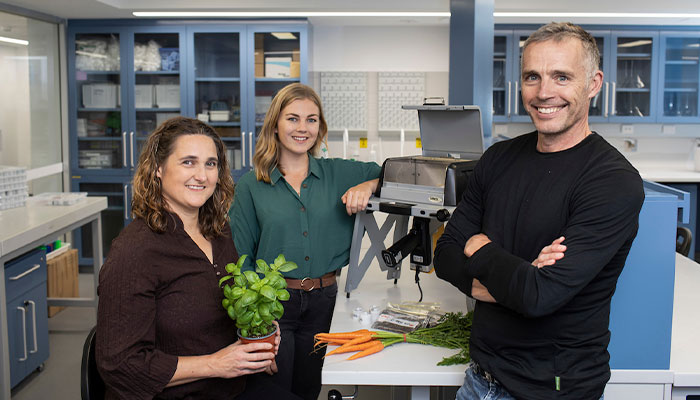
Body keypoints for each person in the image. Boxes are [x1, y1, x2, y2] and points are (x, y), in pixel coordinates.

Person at [433, 22, 645, 400]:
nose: (544, 92)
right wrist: (522, 278)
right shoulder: (498, 158)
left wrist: (480, 249)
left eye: (561, 77)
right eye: (532, 77)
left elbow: (538, 297)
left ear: (593, 83)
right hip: (479, 378)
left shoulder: (612, 181)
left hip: (553, 390)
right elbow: (446, 255)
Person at [96, 117, 300, 400]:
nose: (202, 176)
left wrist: (259, 329)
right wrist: (216, 363)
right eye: (188, 162)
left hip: (230, 387)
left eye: (210, 164)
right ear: (157, 168)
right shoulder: (134, 253)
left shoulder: (218, 231)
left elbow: (223, 310)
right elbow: (120, 366)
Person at [230, 83, 381, 400]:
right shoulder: (251, 186)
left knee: (309, 389)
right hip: (274, 306)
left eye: (311, 120)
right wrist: (258, 324)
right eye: (293, 118)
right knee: (275, 389)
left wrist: (369, 184)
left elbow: (395, 172)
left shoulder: (338, 173)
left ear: (320, 127)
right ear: (275, 125)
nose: (303, 128)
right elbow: (241, 258)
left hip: (324, 301)